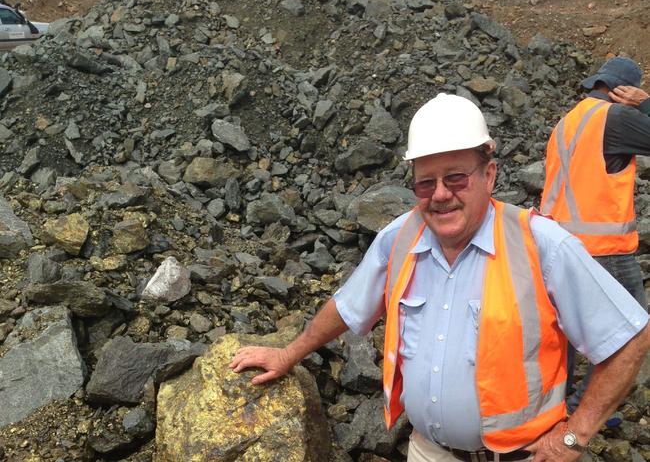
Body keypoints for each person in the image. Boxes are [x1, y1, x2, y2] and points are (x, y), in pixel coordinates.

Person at [231, 93, 650, 462]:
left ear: (489, 174)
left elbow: (630, 337)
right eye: (426, 183)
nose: (441, 194)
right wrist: (289, 354)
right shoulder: (398, 238)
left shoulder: (542, 245)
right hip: (429, 452)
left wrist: (572, 438)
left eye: (456, 177)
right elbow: (348, 305)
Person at [540, 56, 650, 414]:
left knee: (567, 337)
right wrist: (645, 102)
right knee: (632, 334)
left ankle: (554, 410)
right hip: (604, 250)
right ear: (623, 90)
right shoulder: (615, 117)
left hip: (558, 247)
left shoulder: (568, 121)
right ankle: (580, 411)